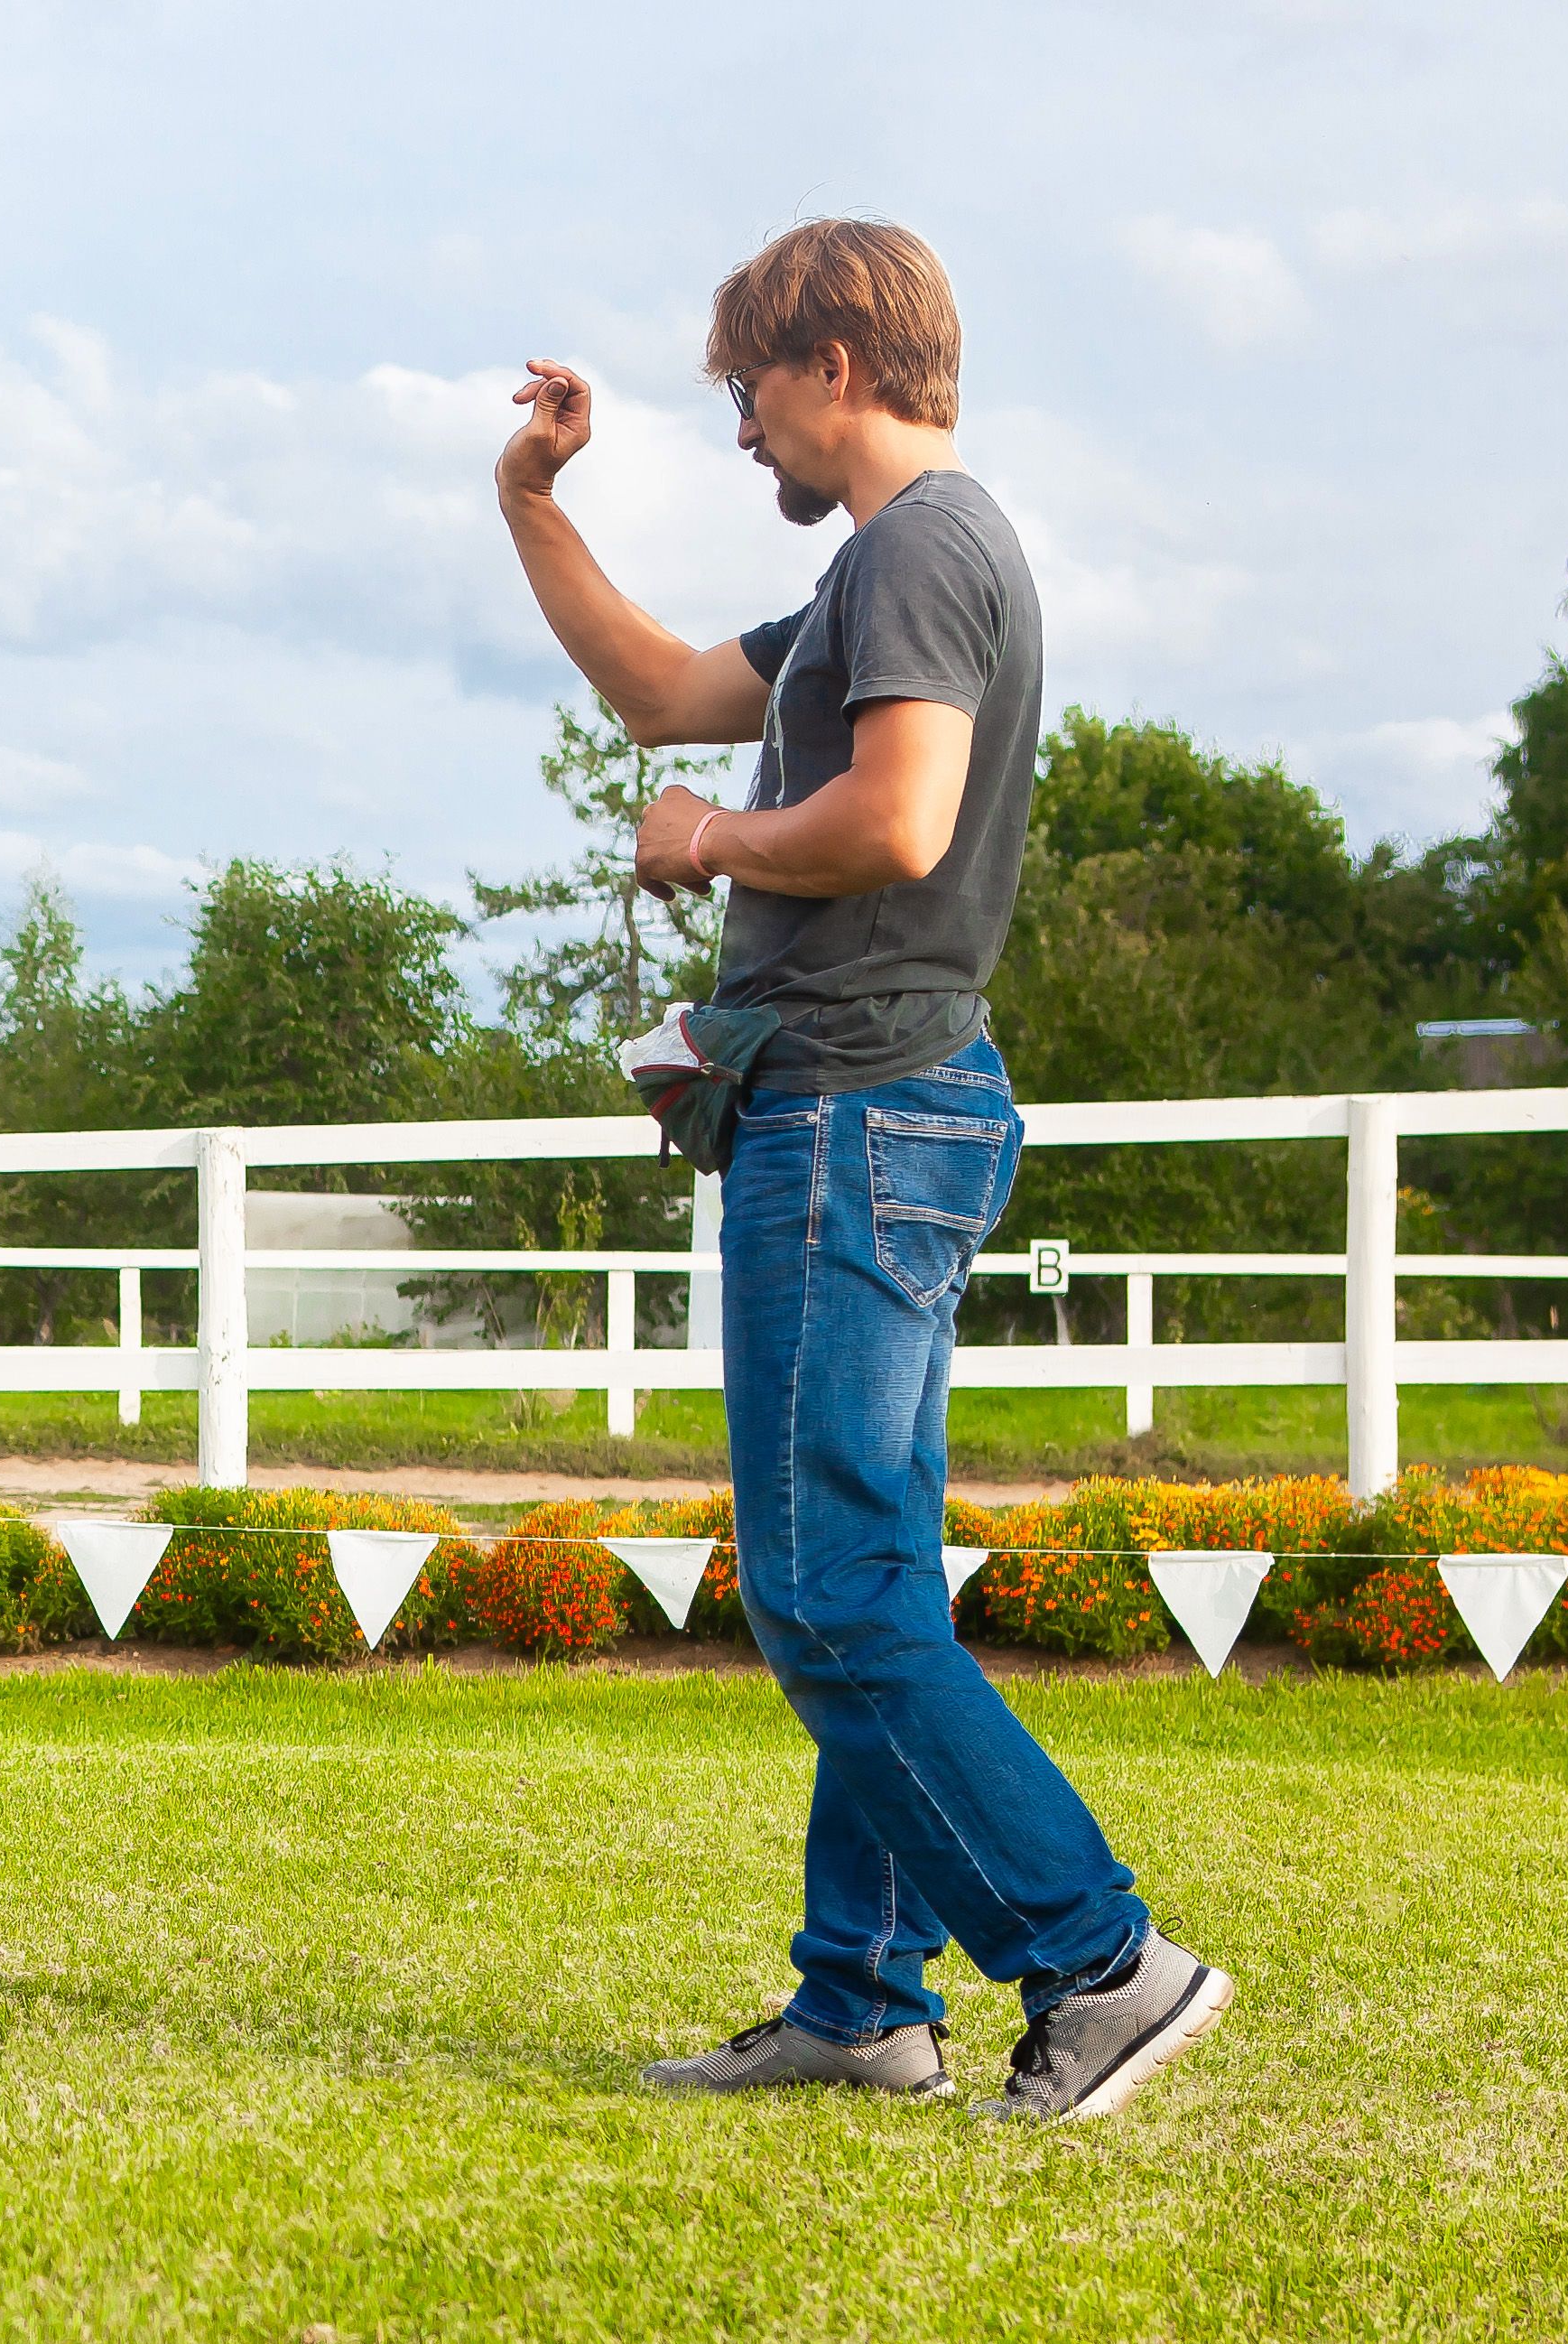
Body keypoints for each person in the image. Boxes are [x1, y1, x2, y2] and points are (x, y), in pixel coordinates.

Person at [495, 219, 1229, 2123]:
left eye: (746, 386)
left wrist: (716, 845)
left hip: (850, 1110)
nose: (739, 428)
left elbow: (896, 820)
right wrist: (528, 499)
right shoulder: (880, 576)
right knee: (868, 1573)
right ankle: (861, 2001)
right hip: (883, 1102)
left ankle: (1098, 1957)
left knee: (822, 1588)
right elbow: (659, 685)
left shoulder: (914, 551)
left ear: (834, 359)